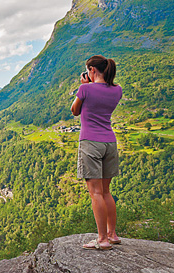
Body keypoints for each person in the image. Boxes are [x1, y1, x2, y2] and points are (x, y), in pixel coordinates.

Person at [70, 55, 122, 250]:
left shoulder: (85, 89)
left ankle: (101, 239)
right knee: (107, 191)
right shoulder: (117, 90)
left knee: (96, 193)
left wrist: (83, 86)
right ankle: (112, 234)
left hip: (90, 143)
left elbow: (75, 110)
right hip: (110, 142)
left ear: (91, 70)